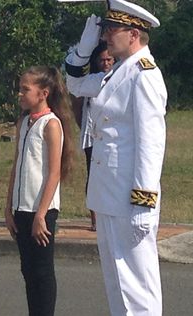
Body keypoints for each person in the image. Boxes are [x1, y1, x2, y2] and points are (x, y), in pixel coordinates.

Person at [65, 0, 167, 316]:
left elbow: (150, 144)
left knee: (138, 285)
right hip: (108, 196)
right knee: (117, 285)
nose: (107, 34)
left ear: (134, 34)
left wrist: (145, 201)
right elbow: (74, 83)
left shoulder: (145, 76)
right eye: (105, 29)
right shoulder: (117, 74)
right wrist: (83, 47)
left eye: (111, 30)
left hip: (130, 198)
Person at [1, 65, 74, 316]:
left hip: (40, 210)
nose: (20, 93)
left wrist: (41, 214)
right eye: (20, 88)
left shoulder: (50, 124)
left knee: (42, 271)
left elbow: (54, 173)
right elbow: (18, 166)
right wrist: (8, 206)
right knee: (28, 270)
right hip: (21, 207)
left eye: (25, 89)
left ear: (43, 93)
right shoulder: (26, 122)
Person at [71, 41, 114, 231]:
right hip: (92, 134)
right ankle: (95, 218)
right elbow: (77, 105)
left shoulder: (119, 77)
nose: (106, 63)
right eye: (102, 60)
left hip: (113, 135)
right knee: (93, 174)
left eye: (109, 59)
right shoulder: (91, 80)